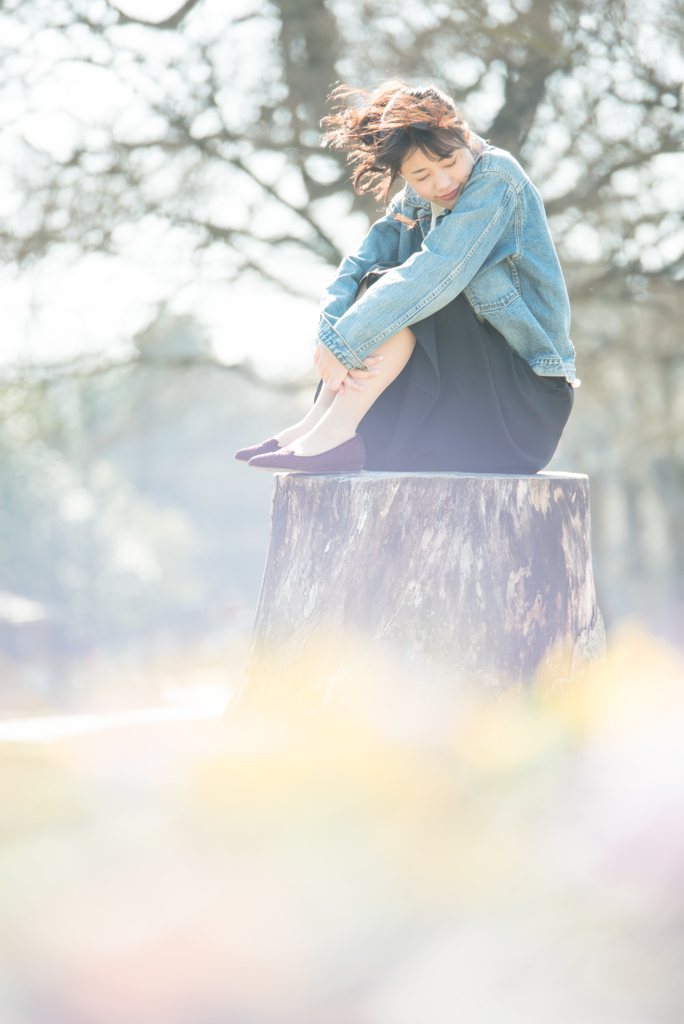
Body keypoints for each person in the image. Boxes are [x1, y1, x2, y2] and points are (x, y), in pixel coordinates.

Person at [236, 82, 576, 474]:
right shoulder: (417, 199)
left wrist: (346, 341)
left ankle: (335, 432)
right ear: (402, 175)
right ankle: (319, 423)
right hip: (470, 394)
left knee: (413, 292)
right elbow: (358, 266)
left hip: (526, 404)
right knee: (377, 282)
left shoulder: (497, 179)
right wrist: (332, 336)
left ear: (464, 135)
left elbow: (436, 274)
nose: (442, 183)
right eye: (421, 175)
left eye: (449, 163)